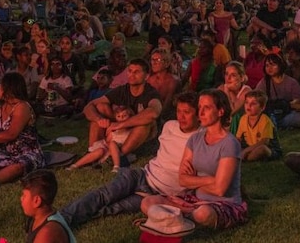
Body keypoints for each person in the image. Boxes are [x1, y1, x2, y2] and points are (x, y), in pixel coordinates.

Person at [60, 92, 200, 226]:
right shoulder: (170, 126)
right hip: (142, 176)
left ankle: (69, 219)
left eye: (186, 112)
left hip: (159, 194)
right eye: (179, 111)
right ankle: (61, 218)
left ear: (199, 114)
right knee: (104, 195)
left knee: (112, 209)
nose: (181, 117)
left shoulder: (203, 139)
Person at [141, 89, 247, 231]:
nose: (201, 113)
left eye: (207, 108)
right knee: (148, 202)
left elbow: (220, 189)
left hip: (222, 203)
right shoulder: (195, 139)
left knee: (203, 213)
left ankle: (172, 220)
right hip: (194, 201)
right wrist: (211, 179)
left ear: (221, 111)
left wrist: (195, 182)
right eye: (200, 107)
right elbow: (182, 180)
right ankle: (179, 220)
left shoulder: (229, 143)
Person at [82, 58, 162, 160]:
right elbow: (89, 106)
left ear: (146, 76)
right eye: (130, 71)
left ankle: (119, 155)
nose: (132, 75)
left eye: (136, 72)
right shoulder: (122, 90)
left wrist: (120, 125)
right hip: (121, 130)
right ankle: (94, 151)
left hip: (140, 134)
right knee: (100, 107)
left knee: (145, 122)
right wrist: (99, 119)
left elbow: (153, 113)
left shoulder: (151, 93)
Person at [68, 106, 134, 171]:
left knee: (113, 144)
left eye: (124, 115)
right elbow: (107, 141)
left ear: (130, 116)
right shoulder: (113, 129)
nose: (121, 118)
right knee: (101, 150)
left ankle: (116, 166)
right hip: (106, 152)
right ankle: (75, 165)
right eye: (119, 116)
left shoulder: (131, 130)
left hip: (117, 152)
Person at [255, 52, 300, 129]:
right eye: (267, 65)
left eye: (273, 64)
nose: (269, 68)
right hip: (270, 113)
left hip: (287, 114)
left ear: (280, 65)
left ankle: (274, 125)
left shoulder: (291, 82)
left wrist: (290, 105)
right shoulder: (264, 82)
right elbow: (256, 98)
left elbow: (299, 103)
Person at [21, 169, 76, 243]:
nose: (21, 199)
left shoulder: (47, 233)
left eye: (24, 195)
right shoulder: (39, 217)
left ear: (37, 201)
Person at [235, 90, 282, 162]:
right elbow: (238, 138)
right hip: (250, 147)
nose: (249, 106)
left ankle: (244, 158)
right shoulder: (243, 119)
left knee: (262, 149)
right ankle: (243, 156)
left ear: (262, 107)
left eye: (253, 103)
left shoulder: (265, 120)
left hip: (269, 148)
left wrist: (246, 150)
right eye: (246, 102)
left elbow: (265, 142)